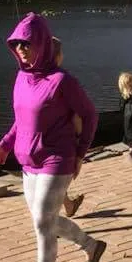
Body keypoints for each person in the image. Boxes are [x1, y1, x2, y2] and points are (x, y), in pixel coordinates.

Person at [0, 12, 106, 262]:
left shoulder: (62, 81)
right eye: (16, 45)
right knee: (46, 222)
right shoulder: (21, 78)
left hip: (58, 158)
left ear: (41, 43)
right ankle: (92, 246)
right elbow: (21, 120)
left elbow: (90, 115)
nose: (21, 50)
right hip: (28, 161)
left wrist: (80, 153)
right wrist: (5, 144)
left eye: (26, 44)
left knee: (42, 221)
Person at [51, 37, 84, 218]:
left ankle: (64, 209)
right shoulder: (63, 81)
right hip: (54, 147)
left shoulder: (62, 82)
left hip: (51, 147)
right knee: (53, 182)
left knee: (53, 183)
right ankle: (61, 212)